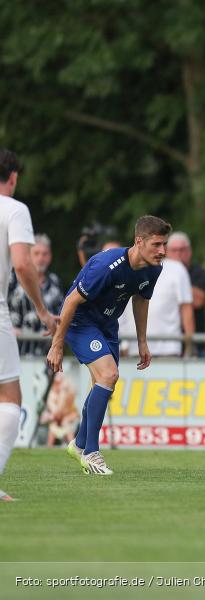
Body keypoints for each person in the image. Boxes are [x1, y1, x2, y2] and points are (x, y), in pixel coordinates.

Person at [47, 215, 169, 476]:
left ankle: (79, 444)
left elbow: (141, 299)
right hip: (81, 322)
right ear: (139, 241)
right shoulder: (107, 265)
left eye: (164, 244)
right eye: (157, 245)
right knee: (109, 375)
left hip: (107, 325)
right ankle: (91, 453)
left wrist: (142, 341)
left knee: (103, 383)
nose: (162, 251)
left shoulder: (154, 268)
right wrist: (57, 344)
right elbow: (70, 302)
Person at [0, 149, 59, 501]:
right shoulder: (14, 209)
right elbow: (23, 264)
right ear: (14, 177)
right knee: (10, 398)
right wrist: (41, 310)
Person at [119, 256, 194, 357]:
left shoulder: (177, 269)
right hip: (134, 351)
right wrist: (124, 344)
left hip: (168, 351)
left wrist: (189, 350)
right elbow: (122, 309)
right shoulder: (126, 266)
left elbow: (186, 308)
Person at [8, 234, 65, 356]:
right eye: (36, 253)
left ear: (50, 256)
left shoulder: (55, 282)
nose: (41, 258)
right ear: (28, 255)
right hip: (15, 350)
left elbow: (61, 313)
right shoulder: (12, 279)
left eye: (45, 254)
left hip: (46, 353)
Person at [166, 232, 205, 355]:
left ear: (189, 251)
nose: (178, 254)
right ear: (166, 252)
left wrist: (176, 283)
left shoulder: (199, 273)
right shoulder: (159, 272)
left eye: (182, 250)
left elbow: (198, 301)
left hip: (195, 342)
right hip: (167, 343)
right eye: (174, 250)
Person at [39, 372, 79, 447]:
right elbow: (56, 413)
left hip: (70, 418)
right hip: (58, 419)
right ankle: (49, 448)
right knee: (53, 424)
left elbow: (65, 409)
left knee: (65, 422)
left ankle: (73, 447)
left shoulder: (67, 388)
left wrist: (49, 416)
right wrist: (50, 416)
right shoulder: (51, 394)